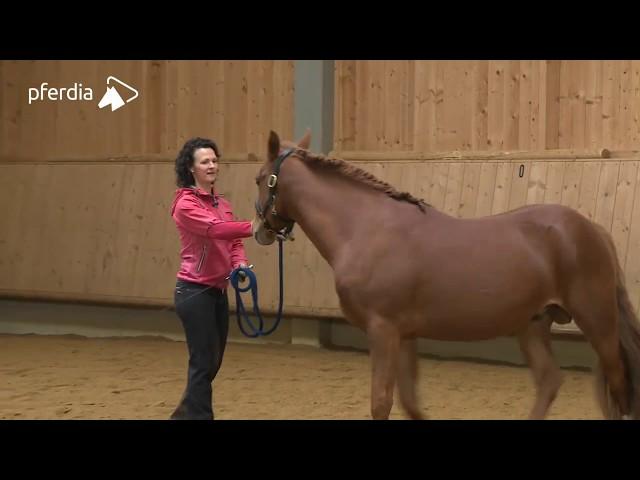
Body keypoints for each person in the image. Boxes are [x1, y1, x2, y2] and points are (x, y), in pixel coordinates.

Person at [169, 137, 254, 420]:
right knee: (203, 363)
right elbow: (217, 230)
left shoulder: (222, 203)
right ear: (191, 168)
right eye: (205, 161)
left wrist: (240, 264)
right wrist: (254, 227)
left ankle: (184, 415)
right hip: (194, 291)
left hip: (217, 291)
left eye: (214, 160)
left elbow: (233, 241)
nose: (212, 165)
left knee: (212, 363)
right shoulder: (185, 204)